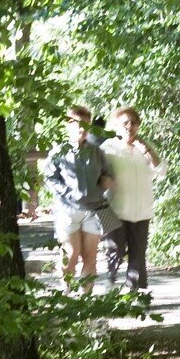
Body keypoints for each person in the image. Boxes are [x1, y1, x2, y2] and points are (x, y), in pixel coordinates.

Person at [46, 105, 115, 290]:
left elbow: (108, 175)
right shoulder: (58, 152)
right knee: (71, 253)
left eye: (86, 125)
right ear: (68, 124)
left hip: (95, 209)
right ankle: (66, 293)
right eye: (77, 124)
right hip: (68, 210)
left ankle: (87, 301)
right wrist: (70, 193)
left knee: (90, 256)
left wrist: (107, 182)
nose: (82, 129)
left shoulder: (98, 152)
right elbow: (50, 178)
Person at [101, 105, 162, 293]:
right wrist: (104, 180)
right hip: (114, 210)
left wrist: (146, 149)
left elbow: (162, 170)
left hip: (141, 210)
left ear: (139, 126)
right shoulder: (108, 147)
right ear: (117, 127)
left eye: (134, 123)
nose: (130, 127)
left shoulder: (145, 147)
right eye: (125, 123)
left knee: (138, 255)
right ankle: (110, 286)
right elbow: (97, 174)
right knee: (115, 251)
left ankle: (137, 294)